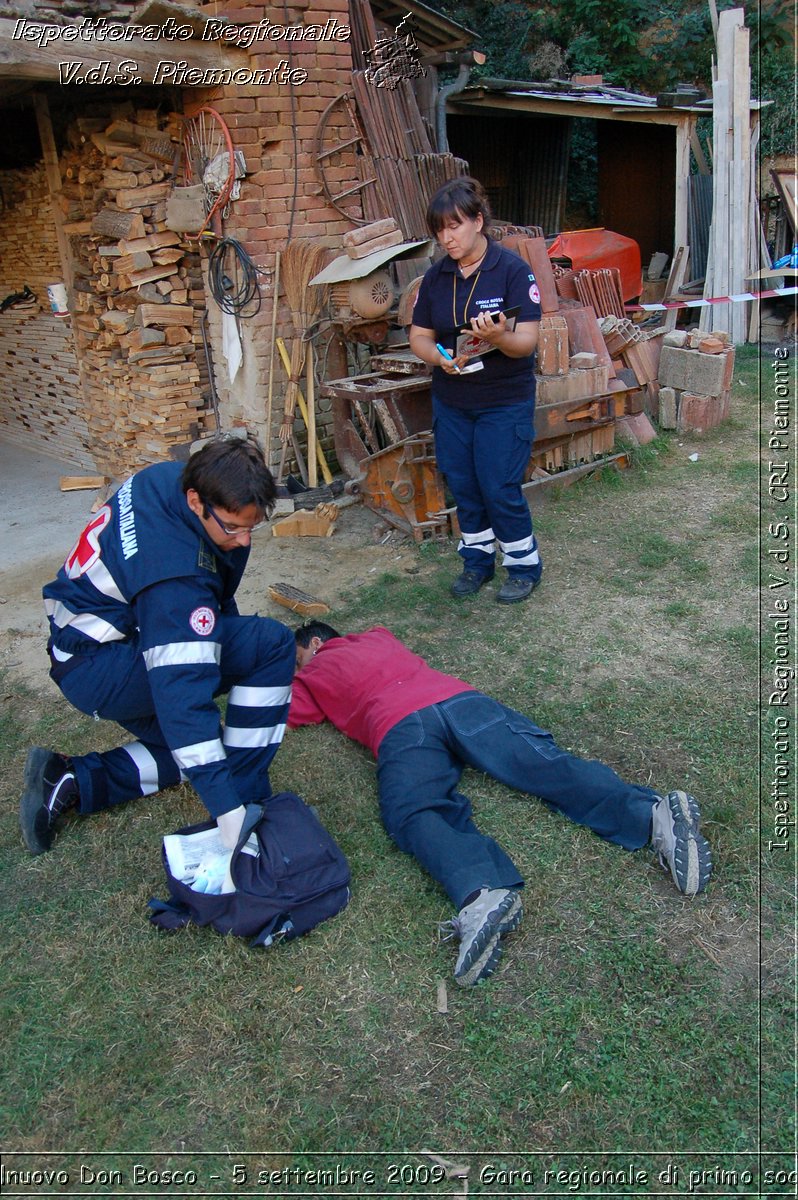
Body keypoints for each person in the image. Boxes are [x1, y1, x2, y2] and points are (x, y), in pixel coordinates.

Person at [289, 623, 713, 987]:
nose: (299, 669)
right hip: (459, 699)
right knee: (539, 764)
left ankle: (482, 893)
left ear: (314, 646)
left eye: (298, 660)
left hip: (399, 726)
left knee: (415, 810)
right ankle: (655, 814)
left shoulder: (315, 671)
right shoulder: (379, 636)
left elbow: (289, 712)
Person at [20, 433, 295, 857]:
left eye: (252, 526)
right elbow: (180, 691)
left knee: (204, 752)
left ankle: (70, 779)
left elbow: (213, 591)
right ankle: (248, 798)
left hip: (82, 647)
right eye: (234, 527)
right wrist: (230, 811)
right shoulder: (176, 579)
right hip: (102, 664)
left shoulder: (169, 478)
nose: (245, 540)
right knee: (272, 645)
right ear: (195, 502)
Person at [409, 176, 543, 604]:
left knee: (498, 485)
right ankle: (477, 562)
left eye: (455, 226)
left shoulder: (512, 272)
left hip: (503, 401)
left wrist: (500, 338)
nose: (447, 237)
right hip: (453, 400)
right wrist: (437, 357)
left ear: (478, 222)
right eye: (440, 230)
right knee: (464, 485)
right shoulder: (435, 278)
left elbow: (526, 343)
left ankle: (523, 566)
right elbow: (419, 336)